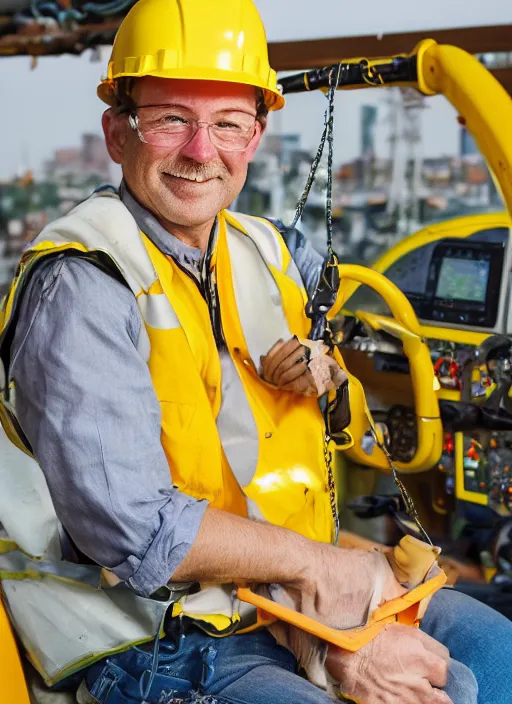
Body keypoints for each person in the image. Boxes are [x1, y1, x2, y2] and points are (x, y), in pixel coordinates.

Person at [0, 1, 511, 703]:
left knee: (501, 662)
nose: (202, 152)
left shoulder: (272, 252)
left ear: (257, 135)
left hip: (288, 589)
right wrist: (327, 579)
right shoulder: (83, 284)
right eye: (170, 119)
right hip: (158, 634)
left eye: (228, 125)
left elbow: (342, 420)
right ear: (117, 135)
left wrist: (328, 381)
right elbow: (137, 531)